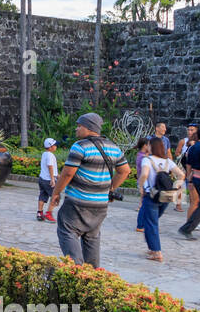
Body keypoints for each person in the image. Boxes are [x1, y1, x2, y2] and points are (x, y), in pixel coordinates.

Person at [49, 113, 131, 268]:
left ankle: (76, 270)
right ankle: (92, 276)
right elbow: (125, 171)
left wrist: (56, 193)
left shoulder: (80, 146)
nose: (76, 129)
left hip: (77, 202)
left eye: (79, 126)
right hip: (100, 205)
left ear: (88, 127)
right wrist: (110, 189)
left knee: (67, 230)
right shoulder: (113, 147)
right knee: (92, 237)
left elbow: (68, 173)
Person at [139, 136, 184, 262]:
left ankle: (156, 251)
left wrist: (140, 186)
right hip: (166, 196)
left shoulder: (147, 160)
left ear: (151, 146)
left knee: (151, 224)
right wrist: (176, 187)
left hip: (152, 195)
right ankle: (152, 248)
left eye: (148, 144)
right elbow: (181, 174)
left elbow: (144, 174)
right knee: (152, 222)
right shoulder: (167, 162)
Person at [175, 124, 198, 214]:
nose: (189, 132)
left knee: (192, 186)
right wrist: (183, 155)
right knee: (180, 185)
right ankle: (178, 204)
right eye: (188, 130)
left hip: (193, 166)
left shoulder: (199, 142)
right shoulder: (183, 141)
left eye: (192, 130)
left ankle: (192, 205)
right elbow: (177, 152)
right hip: (183, 165)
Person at [37, 138, 58, 222]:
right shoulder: (50, 155)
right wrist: (53, 179)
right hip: (48, 180)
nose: (56, 146)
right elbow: (50, 166)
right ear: (50, 147)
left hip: (42, 179)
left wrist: (57, 175)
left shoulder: (44, 154)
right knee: (55, 197)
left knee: (43, 196)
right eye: (54, 145)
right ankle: (48, 214)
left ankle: (39, 213)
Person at [132, 137, 151, 232]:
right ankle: (141, 225)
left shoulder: (142, 155)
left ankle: (143, 224)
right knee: (145, 205)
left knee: (145, 204)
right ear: (145, 146)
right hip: (143, 182)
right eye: (149, 145)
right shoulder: (142, 157)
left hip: (144, 182)